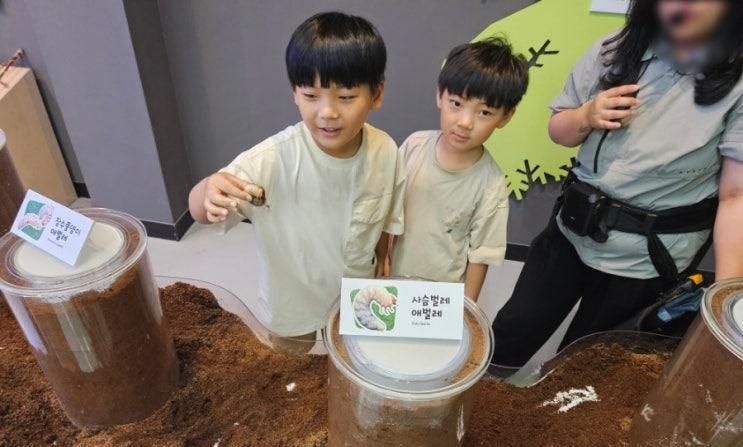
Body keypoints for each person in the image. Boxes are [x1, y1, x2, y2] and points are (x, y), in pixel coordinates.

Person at [492, 0, 743, 370]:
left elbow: (735, 197)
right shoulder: (613, 49)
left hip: (647, 261)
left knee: (587, 365)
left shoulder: (736, 83)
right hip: (571, 231)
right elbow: (559, 131)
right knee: (513, 330)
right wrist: (587, 115)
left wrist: (725, 307)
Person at [188, 12, 405, 344]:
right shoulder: (271, 159)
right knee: (289, 377)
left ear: (376, 94)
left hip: (357, 299)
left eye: (345, 97)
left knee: (351, 370)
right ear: (294, 92)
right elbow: (199, 212)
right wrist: (207, 190)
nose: (327, 112)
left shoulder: (386, 151)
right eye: (311, 95)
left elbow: (386, 219)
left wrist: (385, 256)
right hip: (291, 303)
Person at [389, 38, 528, 301]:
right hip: (392, 282)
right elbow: (387, 211)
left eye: (484, 112)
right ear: (440, 95)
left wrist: (466, 311)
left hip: (440, 298)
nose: (465, 122)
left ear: (506, 116)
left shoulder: (491, 183)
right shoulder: (413, 146)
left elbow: (481, 255)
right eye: (456, 103)